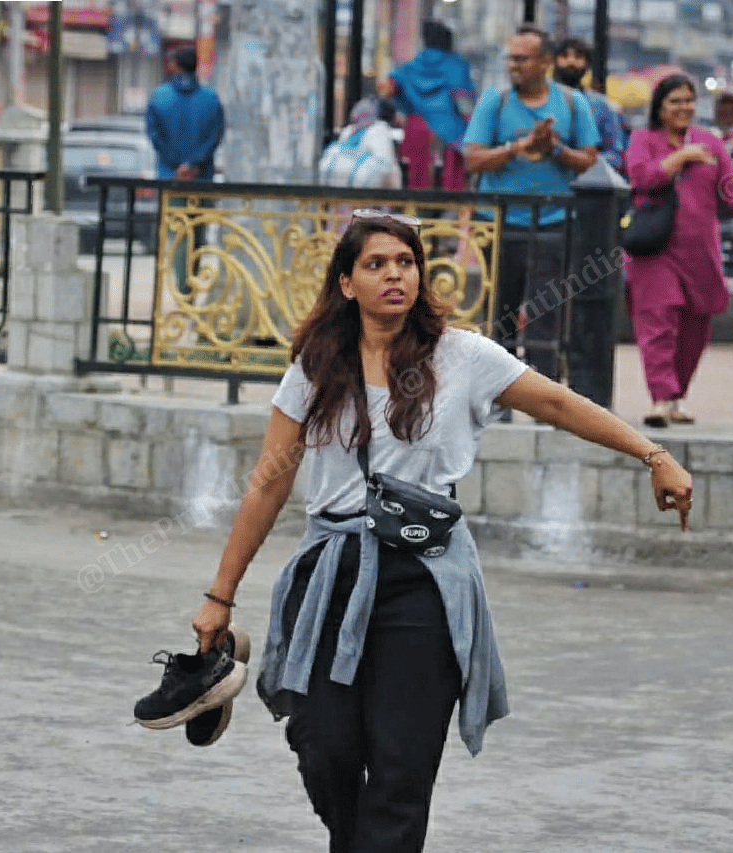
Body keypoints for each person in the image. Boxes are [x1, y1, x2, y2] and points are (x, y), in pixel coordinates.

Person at [191, 210, 694, 853]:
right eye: (375, 264)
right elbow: (267, 484)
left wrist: (653, 454)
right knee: (323, 747)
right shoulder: (317, 367)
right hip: (332, 574)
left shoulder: (464, 356)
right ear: (347, 283)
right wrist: (220, 594)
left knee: (402, 771)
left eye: (405, 263)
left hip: (425, 580)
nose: (394, 276)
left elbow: (561, 404)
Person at [624, 75, 733, 428]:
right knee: (658, 320)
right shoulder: (643, 138)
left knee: (695, 326)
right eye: (675, 101)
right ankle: (660, 397)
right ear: (659, 106)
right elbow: (641, 178)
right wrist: (681, 157)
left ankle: (676, 397)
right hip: (654, 249)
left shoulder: (711, 143)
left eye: (689, 100)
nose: (683, 107)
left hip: (700, 251)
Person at [462, 24, 600, 383]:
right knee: (500, 310)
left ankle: (543, 392)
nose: (514, 66)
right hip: (500, 222)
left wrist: (553, 149)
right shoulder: (496, 101)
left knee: (546, 311)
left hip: (554, 222)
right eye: (511, 58)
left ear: (545, 62)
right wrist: (520, 146)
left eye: (522, 59)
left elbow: (589, 160)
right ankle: (498, 393)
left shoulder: (572, 102)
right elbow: (473, 159)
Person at [145, 45, 225, 289]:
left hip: (172, 180)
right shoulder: (211, 99)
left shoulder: (159, 97)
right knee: (198, 235)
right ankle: (190, 286)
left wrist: (178, 166)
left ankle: (182, 292)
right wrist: (194, 164)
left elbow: (155, 136)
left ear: (174, 65)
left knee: (177, 235)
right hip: (202, 180)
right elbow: (215, 136)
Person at [378, 20, 476, 192]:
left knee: (416, 184)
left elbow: (387, 88)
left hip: (417, 129)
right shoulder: (457, 65)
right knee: (450, 188)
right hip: (451, 133)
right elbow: (465, 105)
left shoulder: (412, 64)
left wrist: (406, 107)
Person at [554, 36, 627, 177]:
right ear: (553, 61)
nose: (571, 61)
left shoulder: (600, 105)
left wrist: (581, 160)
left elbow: (616, 156)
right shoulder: (539, 101)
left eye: (578, 56)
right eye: (564, 56)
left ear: (587, 64)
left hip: (588, 186)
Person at [318, 98, 403, 190]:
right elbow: (387, 167)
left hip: (340, 193)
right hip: (368, 194)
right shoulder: (379, 130)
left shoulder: (348, 131)